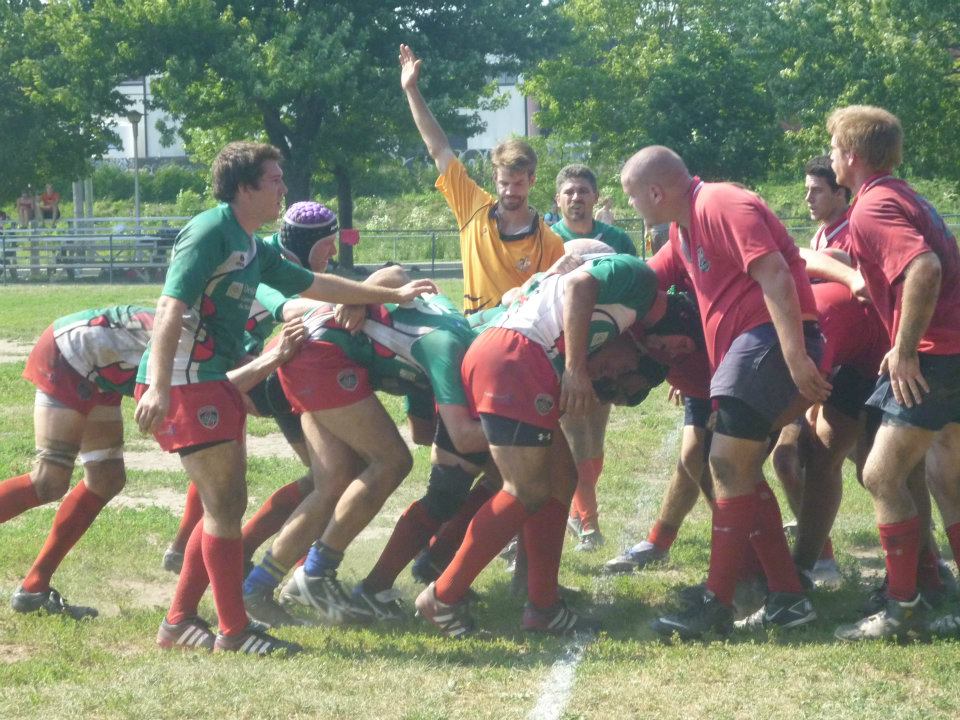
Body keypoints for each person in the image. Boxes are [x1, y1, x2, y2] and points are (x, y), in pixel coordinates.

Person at [134, 141, 436, 656]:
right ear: (244, 187)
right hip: (187, 379)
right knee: (224, 504)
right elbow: (169, 307)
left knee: (225, 504)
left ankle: (182, 621)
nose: (282, 189)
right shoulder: (210, 230)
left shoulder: (252, 245)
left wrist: (390, 294)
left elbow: (317, 284)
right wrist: (159, 384)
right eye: (274, 180)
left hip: (212, 377)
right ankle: (230, 629)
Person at [414, 253, 697, 638]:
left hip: (515, 355)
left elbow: (566, 283)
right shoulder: (641, 280)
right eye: (678, 349)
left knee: (562, 477)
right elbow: (579, 283)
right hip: (516, 355)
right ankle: (443, 596)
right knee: (524, 489)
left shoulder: (624, 316)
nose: (671, 356)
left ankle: (541, 602)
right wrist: (576, 370)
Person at [622, 146, 830, 640]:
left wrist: (795, 355)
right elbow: (645, 276)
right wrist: (579, 272)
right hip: (751, 348)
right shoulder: (683, 227)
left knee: (724, 464)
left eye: (632, 196)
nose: (631, 205)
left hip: (766, 342)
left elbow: (775, 272)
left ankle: (718, 601)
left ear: (656, 192)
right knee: (739, 467)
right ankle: (787, 597)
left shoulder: (718, 202)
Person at [0, 305, 303, 619]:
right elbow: (220, 391)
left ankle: (34, 588)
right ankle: (35, 586)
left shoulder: (231, 354)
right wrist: (274, 360)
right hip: (71, 354)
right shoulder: (221, 361)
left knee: (106, 479)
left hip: (102, 365)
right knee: (48, 481)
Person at [242, 275, 487, 628]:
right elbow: (462, 438)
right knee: (391, 462)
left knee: (334, 480)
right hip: (316, 353)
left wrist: (358, 298)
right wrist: (520, 429)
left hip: (314, 348)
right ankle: (314, 573)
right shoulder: (449, 349)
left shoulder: (454, 333)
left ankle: (259, 586)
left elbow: (423, 432)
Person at [825, 106, 960, 641]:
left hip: (931, 356)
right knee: (947, 480)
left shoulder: (872, 205)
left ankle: (902, 610)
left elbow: (923, 267)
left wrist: (904, 350)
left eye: (834, 148)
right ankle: (927, 590)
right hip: (953, 351)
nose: (831, 157)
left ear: (852, 156)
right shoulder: (906, 196)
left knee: (881, 475)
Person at [160, 200, 340, 574]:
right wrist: (350, 304)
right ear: (307, 244)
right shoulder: (263, 258)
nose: (334, 251)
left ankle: (192, 552)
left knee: (223, 475)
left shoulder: (266, 251)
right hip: (226, 370)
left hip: (236, 364)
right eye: (328, 244)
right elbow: (288, 309)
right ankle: (250, 555)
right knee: (321, 478)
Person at [398, 43, 565, 315]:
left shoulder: (549, 243)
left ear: (532, 180)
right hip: (474, 329)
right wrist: (411, 90)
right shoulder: (472, 206)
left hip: (518, 333)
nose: (510, 191)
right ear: (494, 178)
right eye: (504, 183)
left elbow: (552, 305)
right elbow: (439, 149)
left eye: (519, 183)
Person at [550, 164, 638, 550]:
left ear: (595, 197)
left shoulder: (617, 239)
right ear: (558, 199)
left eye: (583, 191)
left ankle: (575, 512)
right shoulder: (548, 239)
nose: (576, 198)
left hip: (606, 351)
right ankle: (589, 525)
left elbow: (640, 286)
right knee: (576, 438)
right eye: (569, 192)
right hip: (563, 352)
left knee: (595, 441)